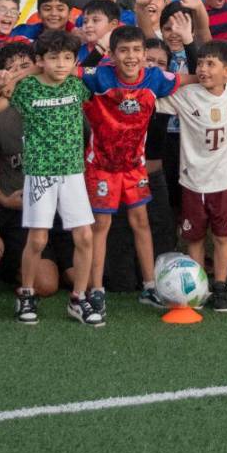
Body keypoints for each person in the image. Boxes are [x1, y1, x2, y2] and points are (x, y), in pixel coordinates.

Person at [0, 29, 98, 327]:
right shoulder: (27, 89)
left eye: (67, 58)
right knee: (38, 238)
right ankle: (26, 294)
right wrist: (5, 83)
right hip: (39, 175)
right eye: (53, 58)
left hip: (72, 173)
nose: (60, 64)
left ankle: (80, 299)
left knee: (84, 236)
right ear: (41, 60)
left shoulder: (78, 85)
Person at [79, 25, 181, 315]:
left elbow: (188, 79)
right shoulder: (99, 76)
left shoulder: (154, 78)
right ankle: (96, 290)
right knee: (101, 227)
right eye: (123, 50)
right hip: (101, 166)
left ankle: (150, 286)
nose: (131, 56)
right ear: (111, 55)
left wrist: (226, 79)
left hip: (134, 167)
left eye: (137, 50)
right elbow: (70, 72)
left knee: (142, 222)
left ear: (144, 53)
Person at [155, 38, 227, 310]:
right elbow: (155, 98)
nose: (204, 69)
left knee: (222, 237)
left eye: (211, 64)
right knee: (194, 237)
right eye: (200, 63)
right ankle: (198, 287)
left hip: (225, 180)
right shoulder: (185, 95)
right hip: (193, 181)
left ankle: (221, 287)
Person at [0, 44, 67, 298]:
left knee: (85, 278)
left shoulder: (59, 103)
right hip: (19, 212)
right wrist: (4, 200)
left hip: (59, 209)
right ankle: (6, 263)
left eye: (26, 67)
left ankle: (49, 261)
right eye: (11, 70)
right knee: (46, 285)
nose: (20, 75)